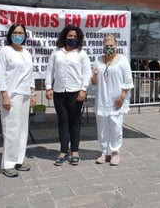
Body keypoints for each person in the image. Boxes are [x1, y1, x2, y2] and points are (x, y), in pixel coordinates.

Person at [45, 25, 92, 166]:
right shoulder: (56, 53)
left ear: (79, 39)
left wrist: (83, 89)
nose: (72, 38)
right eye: (70, 36)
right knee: (62, 121)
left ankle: (75, 150)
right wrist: (48, 87)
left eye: (75, 36)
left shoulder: (81, 54)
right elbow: (49, 71)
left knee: (75, 121)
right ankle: (63, 150)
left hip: (75, 92)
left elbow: (87, 73)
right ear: (65, 36)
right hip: (59, 92)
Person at [0, 23, 36, 178]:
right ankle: (8, 164)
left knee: (22, 129)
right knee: (11, 130)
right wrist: (4, 95)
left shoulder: (27, 53)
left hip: (24, 95)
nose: (18, 35)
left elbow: (30, 75)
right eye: (16, 32)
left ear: (25, 35)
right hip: (11, 95)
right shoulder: (5, 52)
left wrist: (32, 94)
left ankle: (19, 160)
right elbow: (0, 74)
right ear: (10, 34)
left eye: (21, 32)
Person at [91, 34, 134, 166]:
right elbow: (93, 82)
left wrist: (122, 97)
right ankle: (105, 152)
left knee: (116, 126)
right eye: (106, 45)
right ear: (103, 46)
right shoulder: (98, 60)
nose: (109, 47)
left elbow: (128, 80)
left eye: (111, 45)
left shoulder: (122, 60)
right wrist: (95, 75)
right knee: (102, 128)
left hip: (116, 99)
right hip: (102, 99)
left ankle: (115, 152)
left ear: (116, 46)